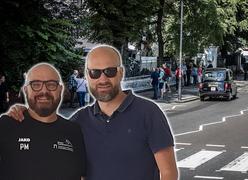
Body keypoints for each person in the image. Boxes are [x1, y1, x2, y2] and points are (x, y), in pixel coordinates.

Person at [8, 45, 178, 180]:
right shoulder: (78, 122)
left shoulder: (149, 113)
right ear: (88, 76)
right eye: (95, 73)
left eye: (109, 71)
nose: (102, 79)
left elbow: (168, 173)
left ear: (120, 73)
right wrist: (24, 113)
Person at [0, 63, 86, 180]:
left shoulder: (74, 130)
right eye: (36, 84)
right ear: (25, 90)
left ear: (60, 90)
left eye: (51, 84)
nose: (44, 91)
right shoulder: (6, 125)